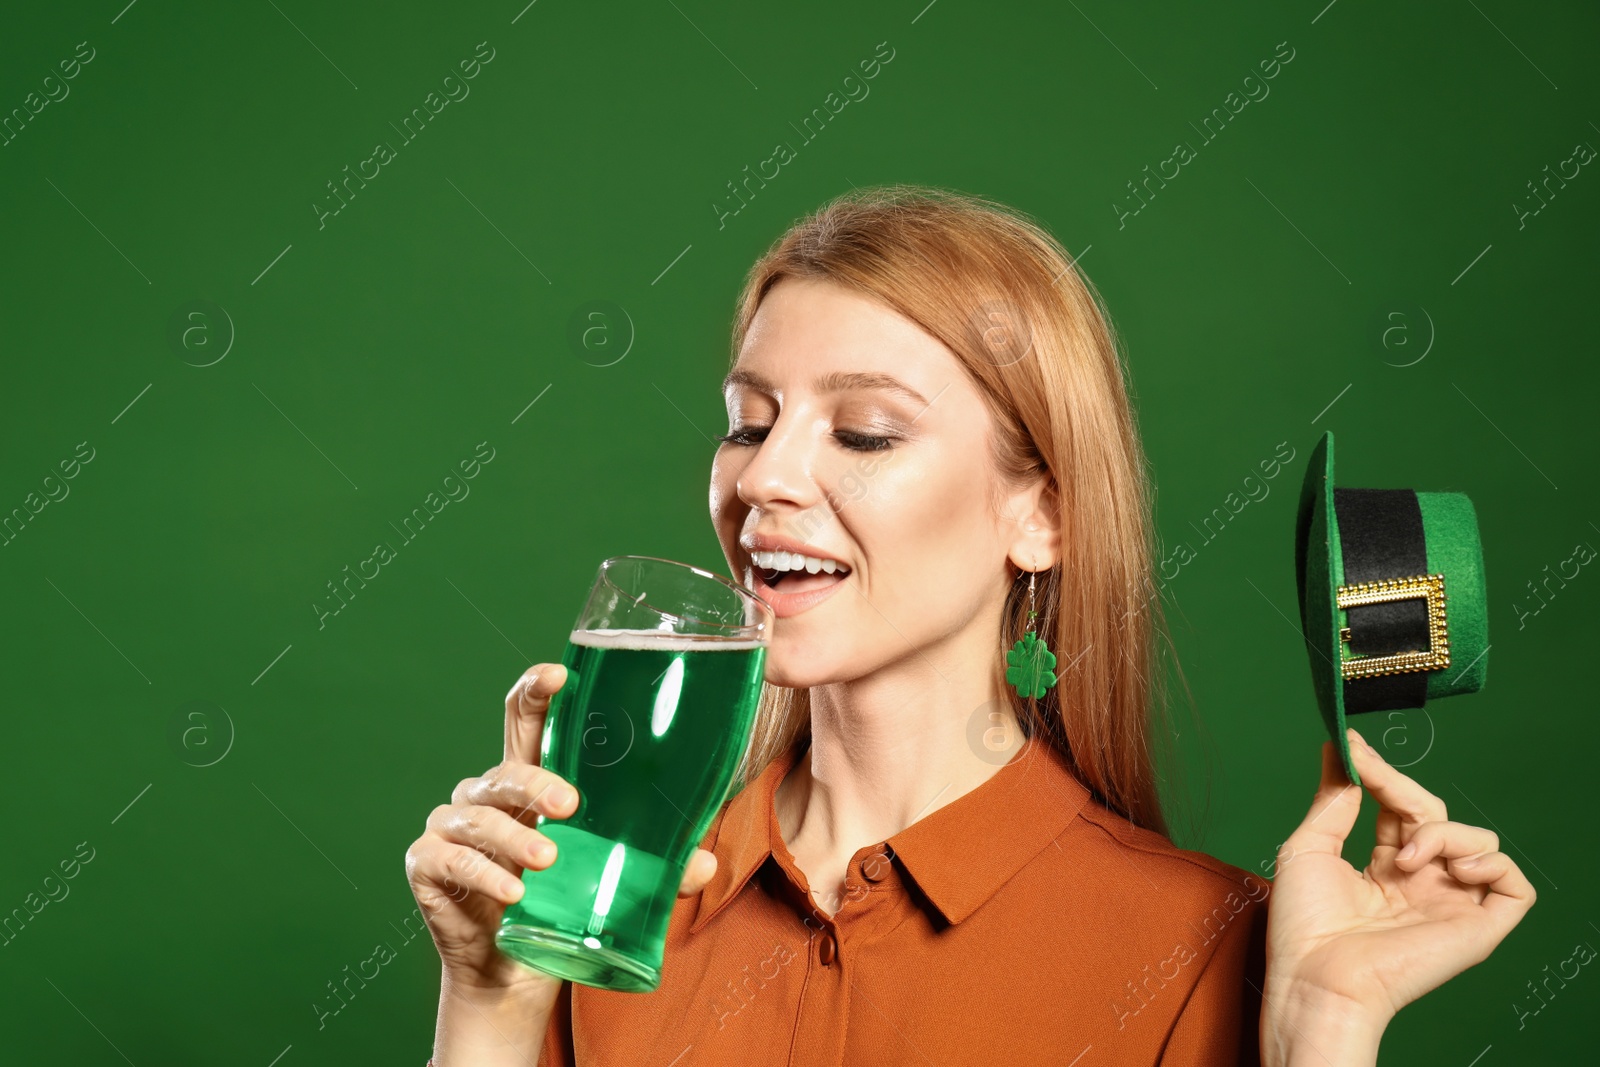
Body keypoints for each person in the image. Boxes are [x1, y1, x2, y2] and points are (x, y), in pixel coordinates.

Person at [406, 185, 1535, 1065]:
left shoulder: (1207, 948)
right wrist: (490, 1006)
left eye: (863, 433)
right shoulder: (596, 898)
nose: (764, 479)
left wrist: (1321, 1032)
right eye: (749, 422)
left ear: (1037, 513)